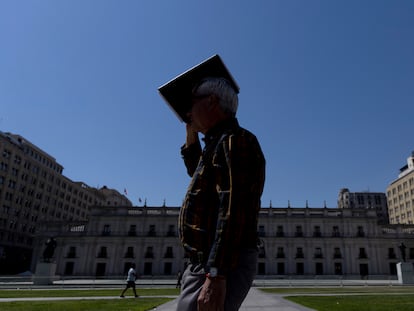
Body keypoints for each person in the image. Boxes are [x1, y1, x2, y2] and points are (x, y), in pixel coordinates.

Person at [159, 55, 266, 311]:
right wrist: (191, 132)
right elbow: (197, 174)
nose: (187, 111)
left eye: (192, 103)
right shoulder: (219, 144)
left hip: (220, 262)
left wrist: (216, 275)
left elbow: (232, 208)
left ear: (212, 101)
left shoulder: (235, 141)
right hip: (209, 260)